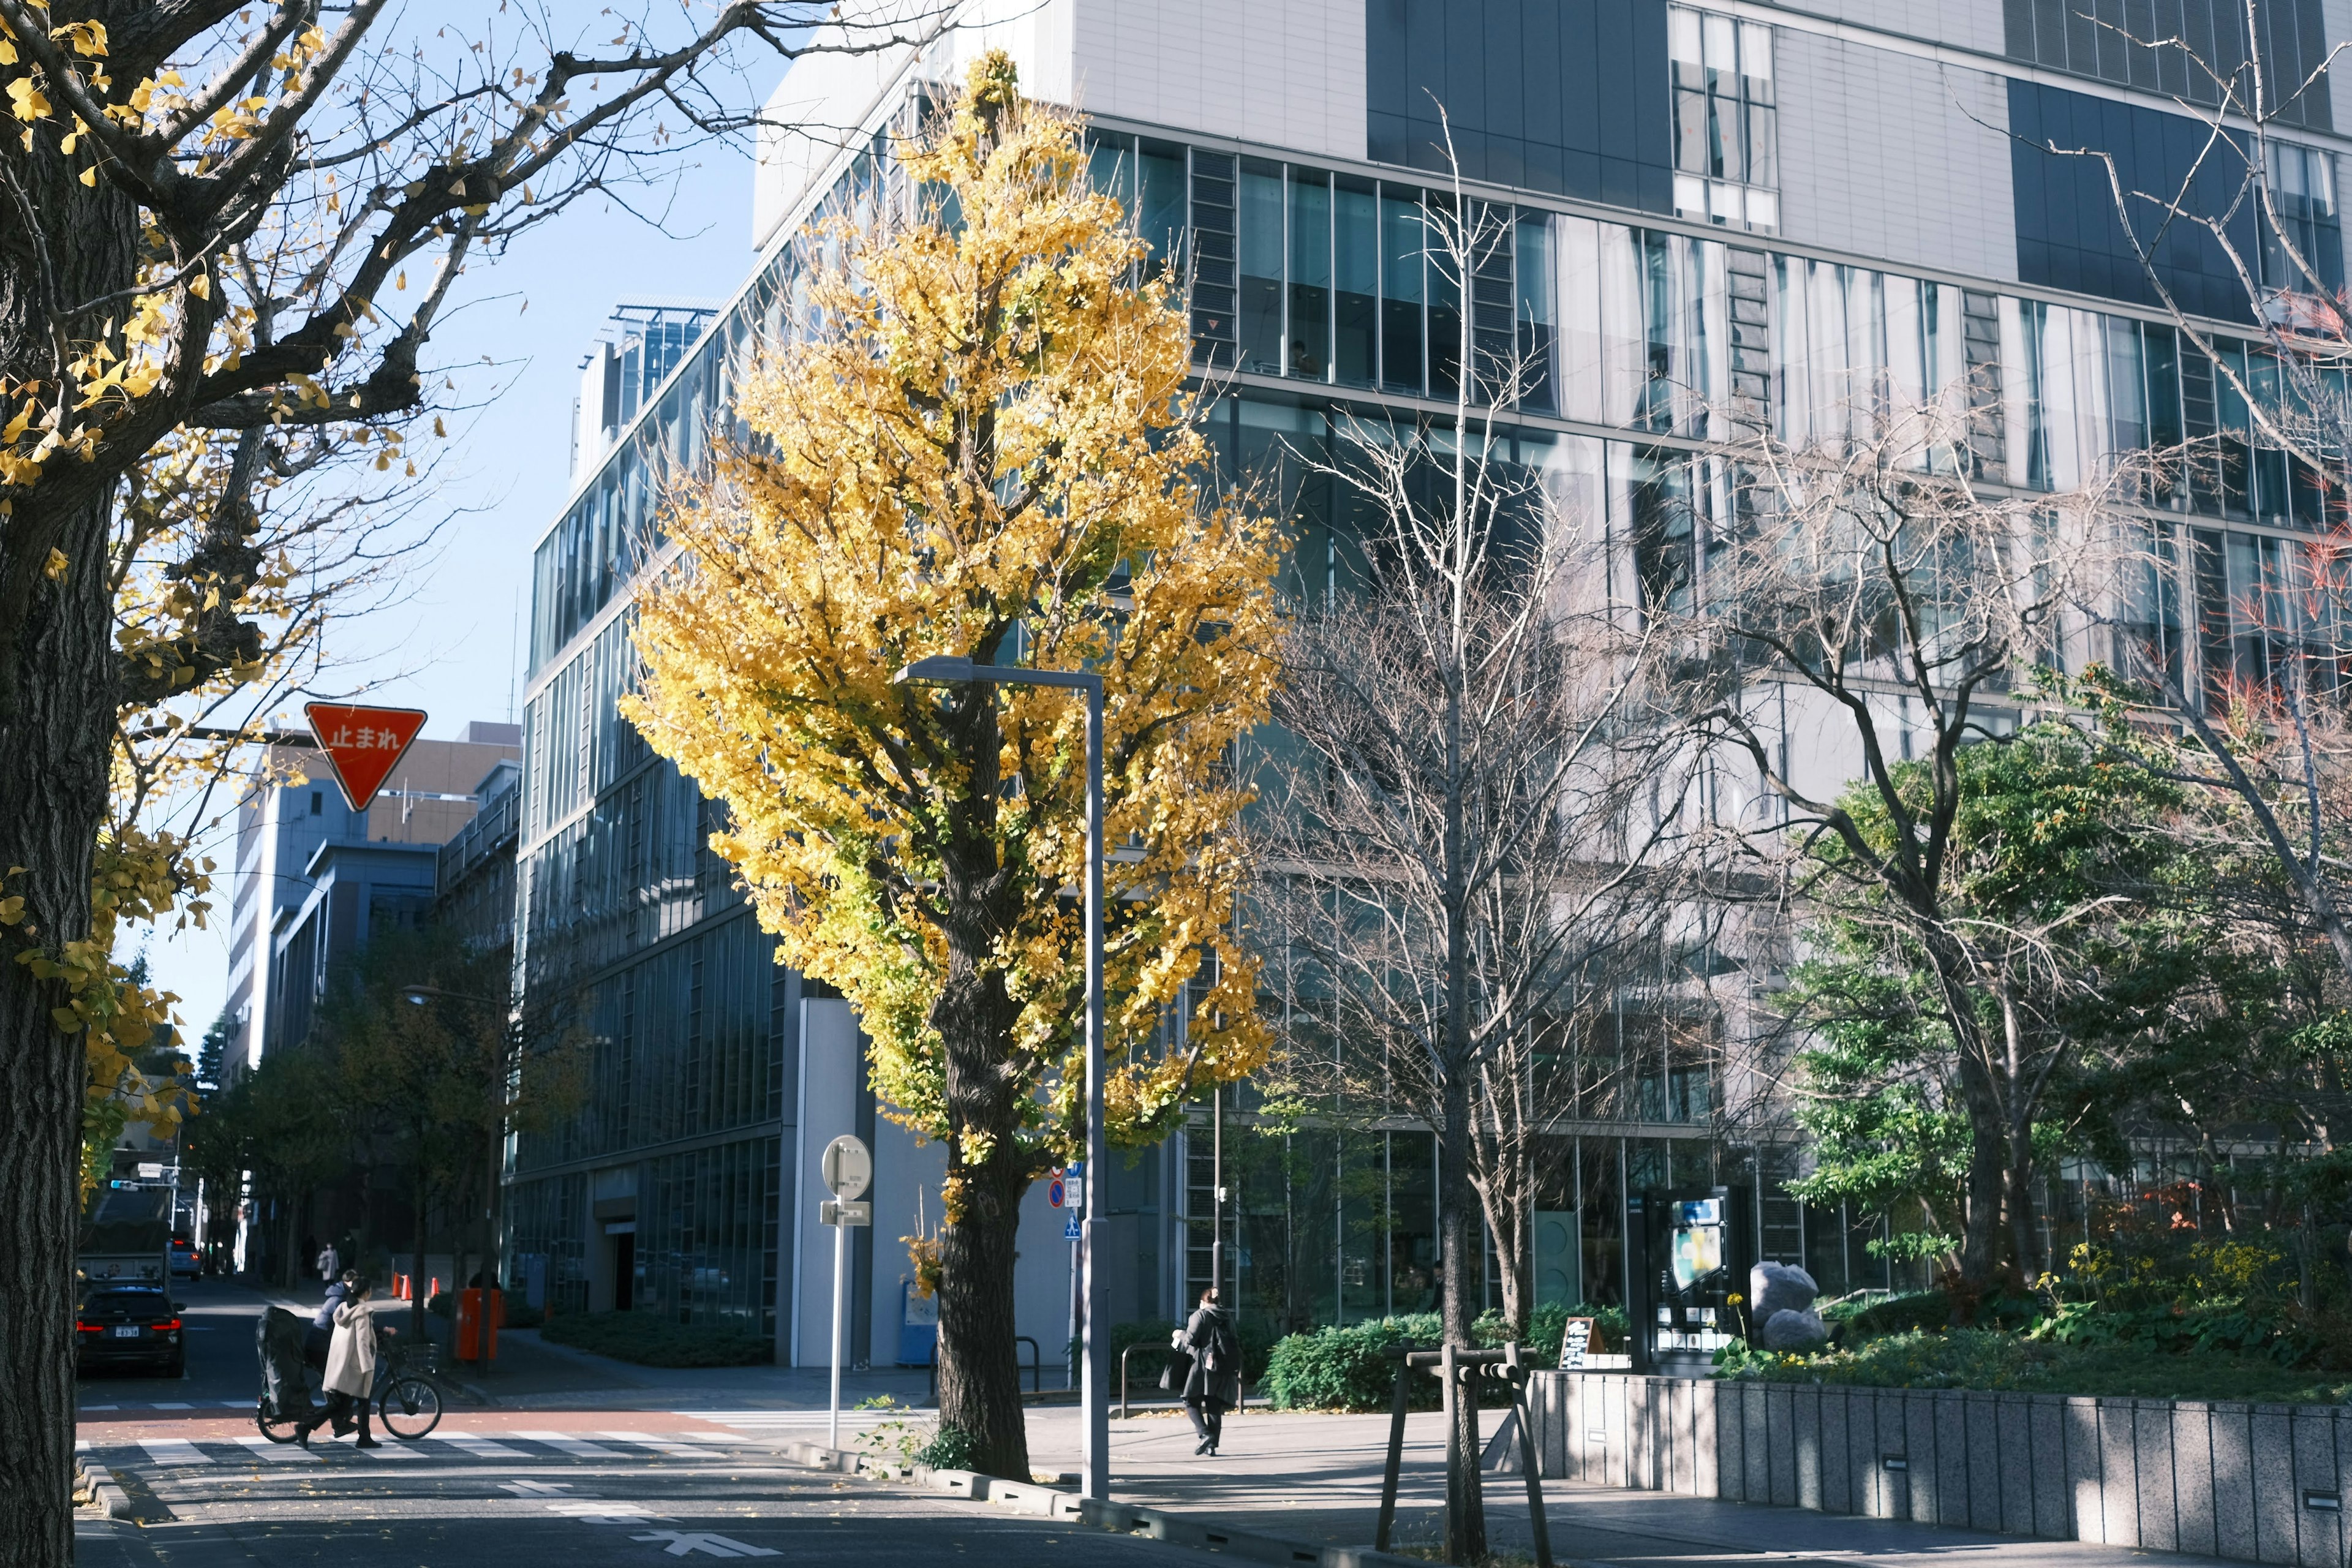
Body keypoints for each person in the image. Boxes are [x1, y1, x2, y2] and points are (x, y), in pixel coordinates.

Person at [298, 1276, 393, 1449]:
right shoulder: (362, 1313)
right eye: (370, 1291)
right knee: (356, 1401)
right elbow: (362, 1342)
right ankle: (307, 1427)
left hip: (341, 1363)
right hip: (355, 1366)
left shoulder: (344, 1309)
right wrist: (367, 1367)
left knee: (342, 1404)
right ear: (366, 1293)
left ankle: (362, 1437)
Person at [1174, 1286, 1242, 1457]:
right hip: (1221, 1366)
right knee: (1214, 1405)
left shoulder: (1200, 1315)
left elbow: (1190, 1339)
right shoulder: (1227, 1317)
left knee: (1190, 1400)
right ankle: (1212, 1446)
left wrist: (1179, 1334)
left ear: (1204, 1301)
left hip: (1201, 1365)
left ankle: (1205, 1434)